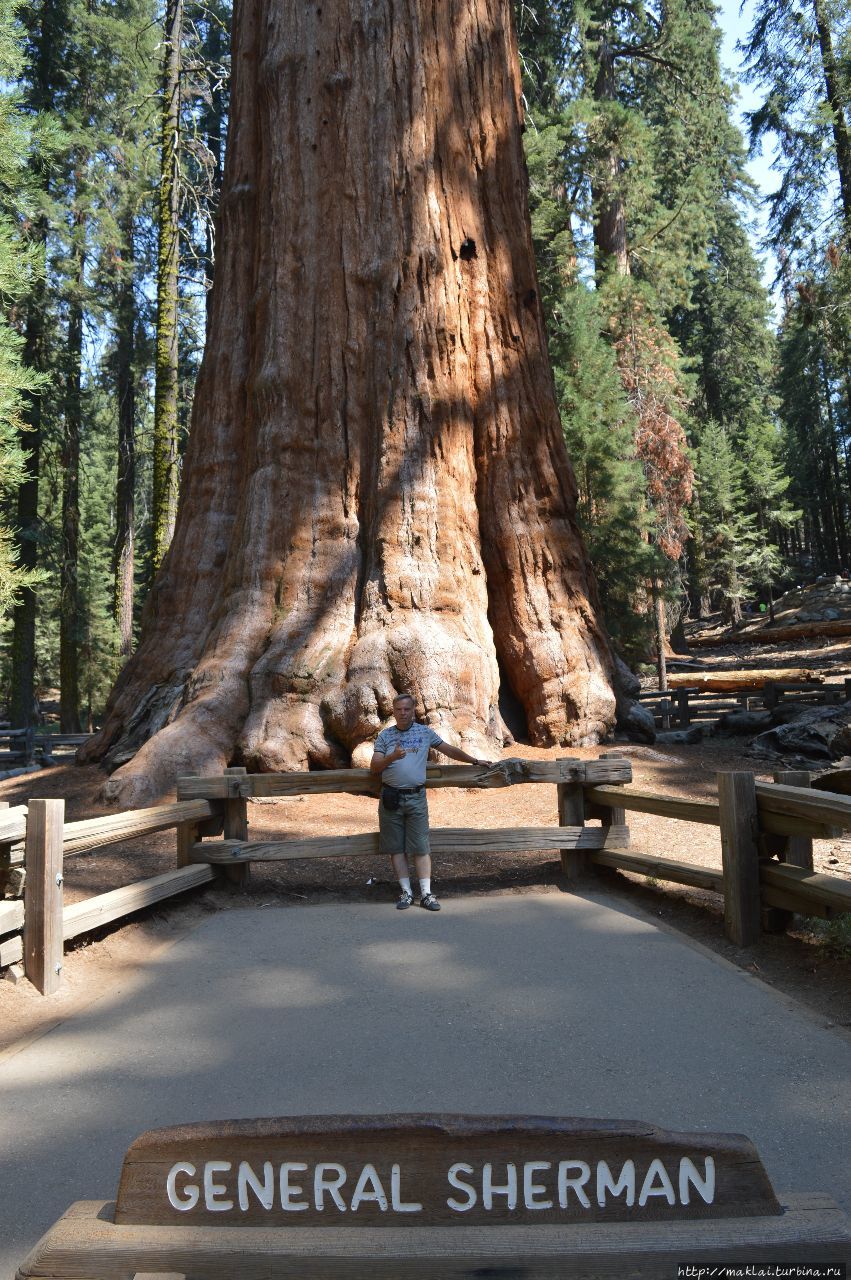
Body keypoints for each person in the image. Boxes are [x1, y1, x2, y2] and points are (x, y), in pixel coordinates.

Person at [370, 692, 494, 911]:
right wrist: (392, 757)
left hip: (416, 797)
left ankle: (426, 894)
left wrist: (474, 760)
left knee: (420, 846)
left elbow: (448, 749)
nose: (403, 713)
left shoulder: (424, 732)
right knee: (396, 848)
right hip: (391, 797)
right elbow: (374, 767)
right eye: (398, 709)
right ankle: (407, 893)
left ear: (413, 710)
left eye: (407, 709)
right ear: (394, 711)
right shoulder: (385, 736)